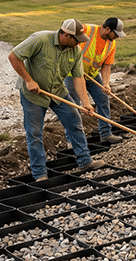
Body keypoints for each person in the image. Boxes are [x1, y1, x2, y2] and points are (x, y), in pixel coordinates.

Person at [8, 18, 105, 181]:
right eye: (76, 40)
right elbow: (13, 57)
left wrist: (86, 103)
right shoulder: (40, 40)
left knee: (74, 120)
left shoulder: (75, 51)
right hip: (34, 95)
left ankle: (85, 161)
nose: (78, 44)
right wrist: (29, 80)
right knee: (35, 133)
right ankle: (39, 173)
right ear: (66, 35)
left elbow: (78, 78)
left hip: (57, 91)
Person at [64, 17, 126, 145]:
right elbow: (68, 35)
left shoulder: (111, 43)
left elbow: (106, 65)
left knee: (103, 99)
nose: (117, 37)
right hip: (72, 74)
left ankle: (106, 134)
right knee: (73, 106)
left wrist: (106, 83)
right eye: (116, 34)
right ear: (107, 29)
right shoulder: (87, 30)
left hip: (91, 74)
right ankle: (72, 141)